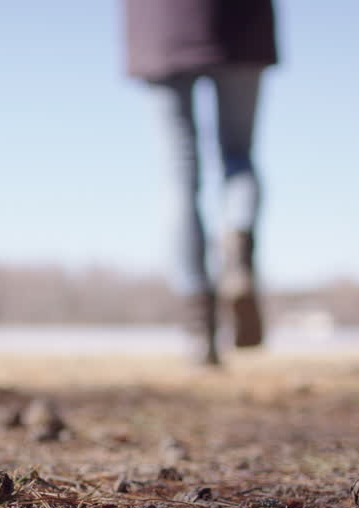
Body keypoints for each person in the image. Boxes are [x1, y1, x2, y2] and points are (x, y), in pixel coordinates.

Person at [124, 0, 278, 364]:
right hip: (241, 23)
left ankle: (200, 329)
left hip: (160, 26)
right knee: (239, 156)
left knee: (180, 175)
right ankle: (238, 246)